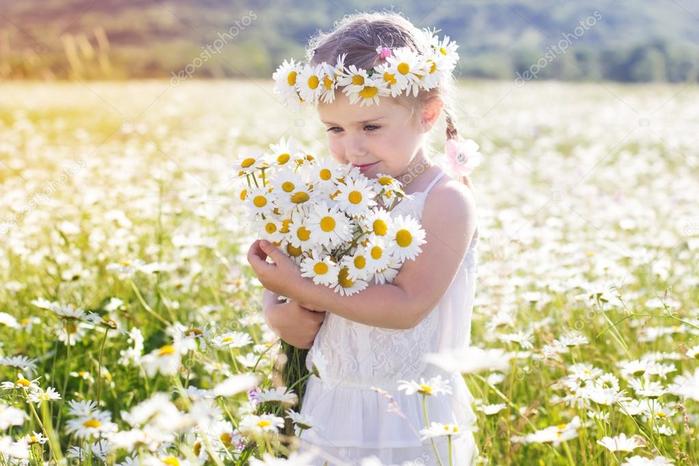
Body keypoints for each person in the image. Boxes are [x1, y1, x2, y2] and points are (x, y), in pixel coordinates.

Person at [248, 11, 480, 466]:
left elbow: (406, 307)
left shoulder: (445, 200)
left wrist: (296, 287)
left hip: (411, 413)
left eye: (370, 127)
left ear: (427, 114)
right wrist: (278, 310)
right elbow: (303, 276)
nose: (351, 149)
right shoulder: (335, 192)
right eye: (335, 128)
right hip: (329, 401)